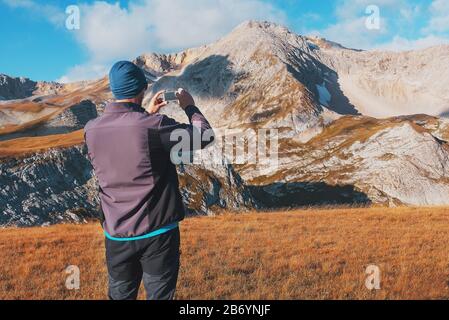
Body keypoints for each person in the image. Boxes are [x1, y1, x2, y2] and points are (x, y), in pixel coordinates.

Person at [84, 61, 214, 300]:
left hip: (116, 236)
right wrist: (190, 107)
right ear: (143, 89)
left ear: (114, 90)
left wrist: (146, 114)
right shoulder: (155, 126)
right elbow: (204, 135)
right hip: (158, 235)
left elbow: (127, 138)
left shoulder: (91, 130)